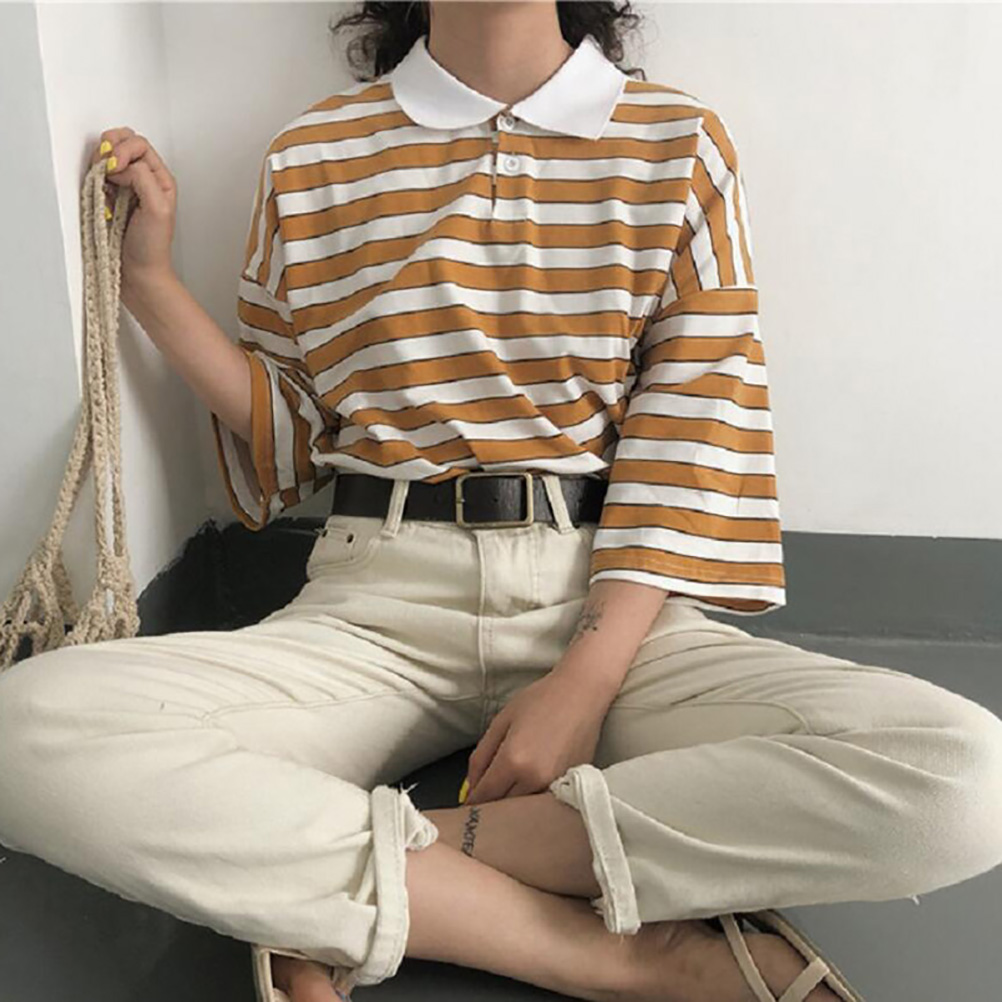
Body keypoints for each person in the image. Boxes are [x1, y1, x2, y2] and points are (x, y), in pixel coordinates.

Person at [2, 3, 1001, 1002]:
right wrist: (150, 283)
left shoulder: (677, 142)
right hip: (375, 608)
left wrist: (586, 680)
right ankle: (601, 953)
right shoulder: (316, 153)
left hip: (607, 606)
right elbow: (294, 447)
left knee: (964, 780)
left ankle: (376, 876)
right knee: (26, 730)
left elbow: (688, 432)